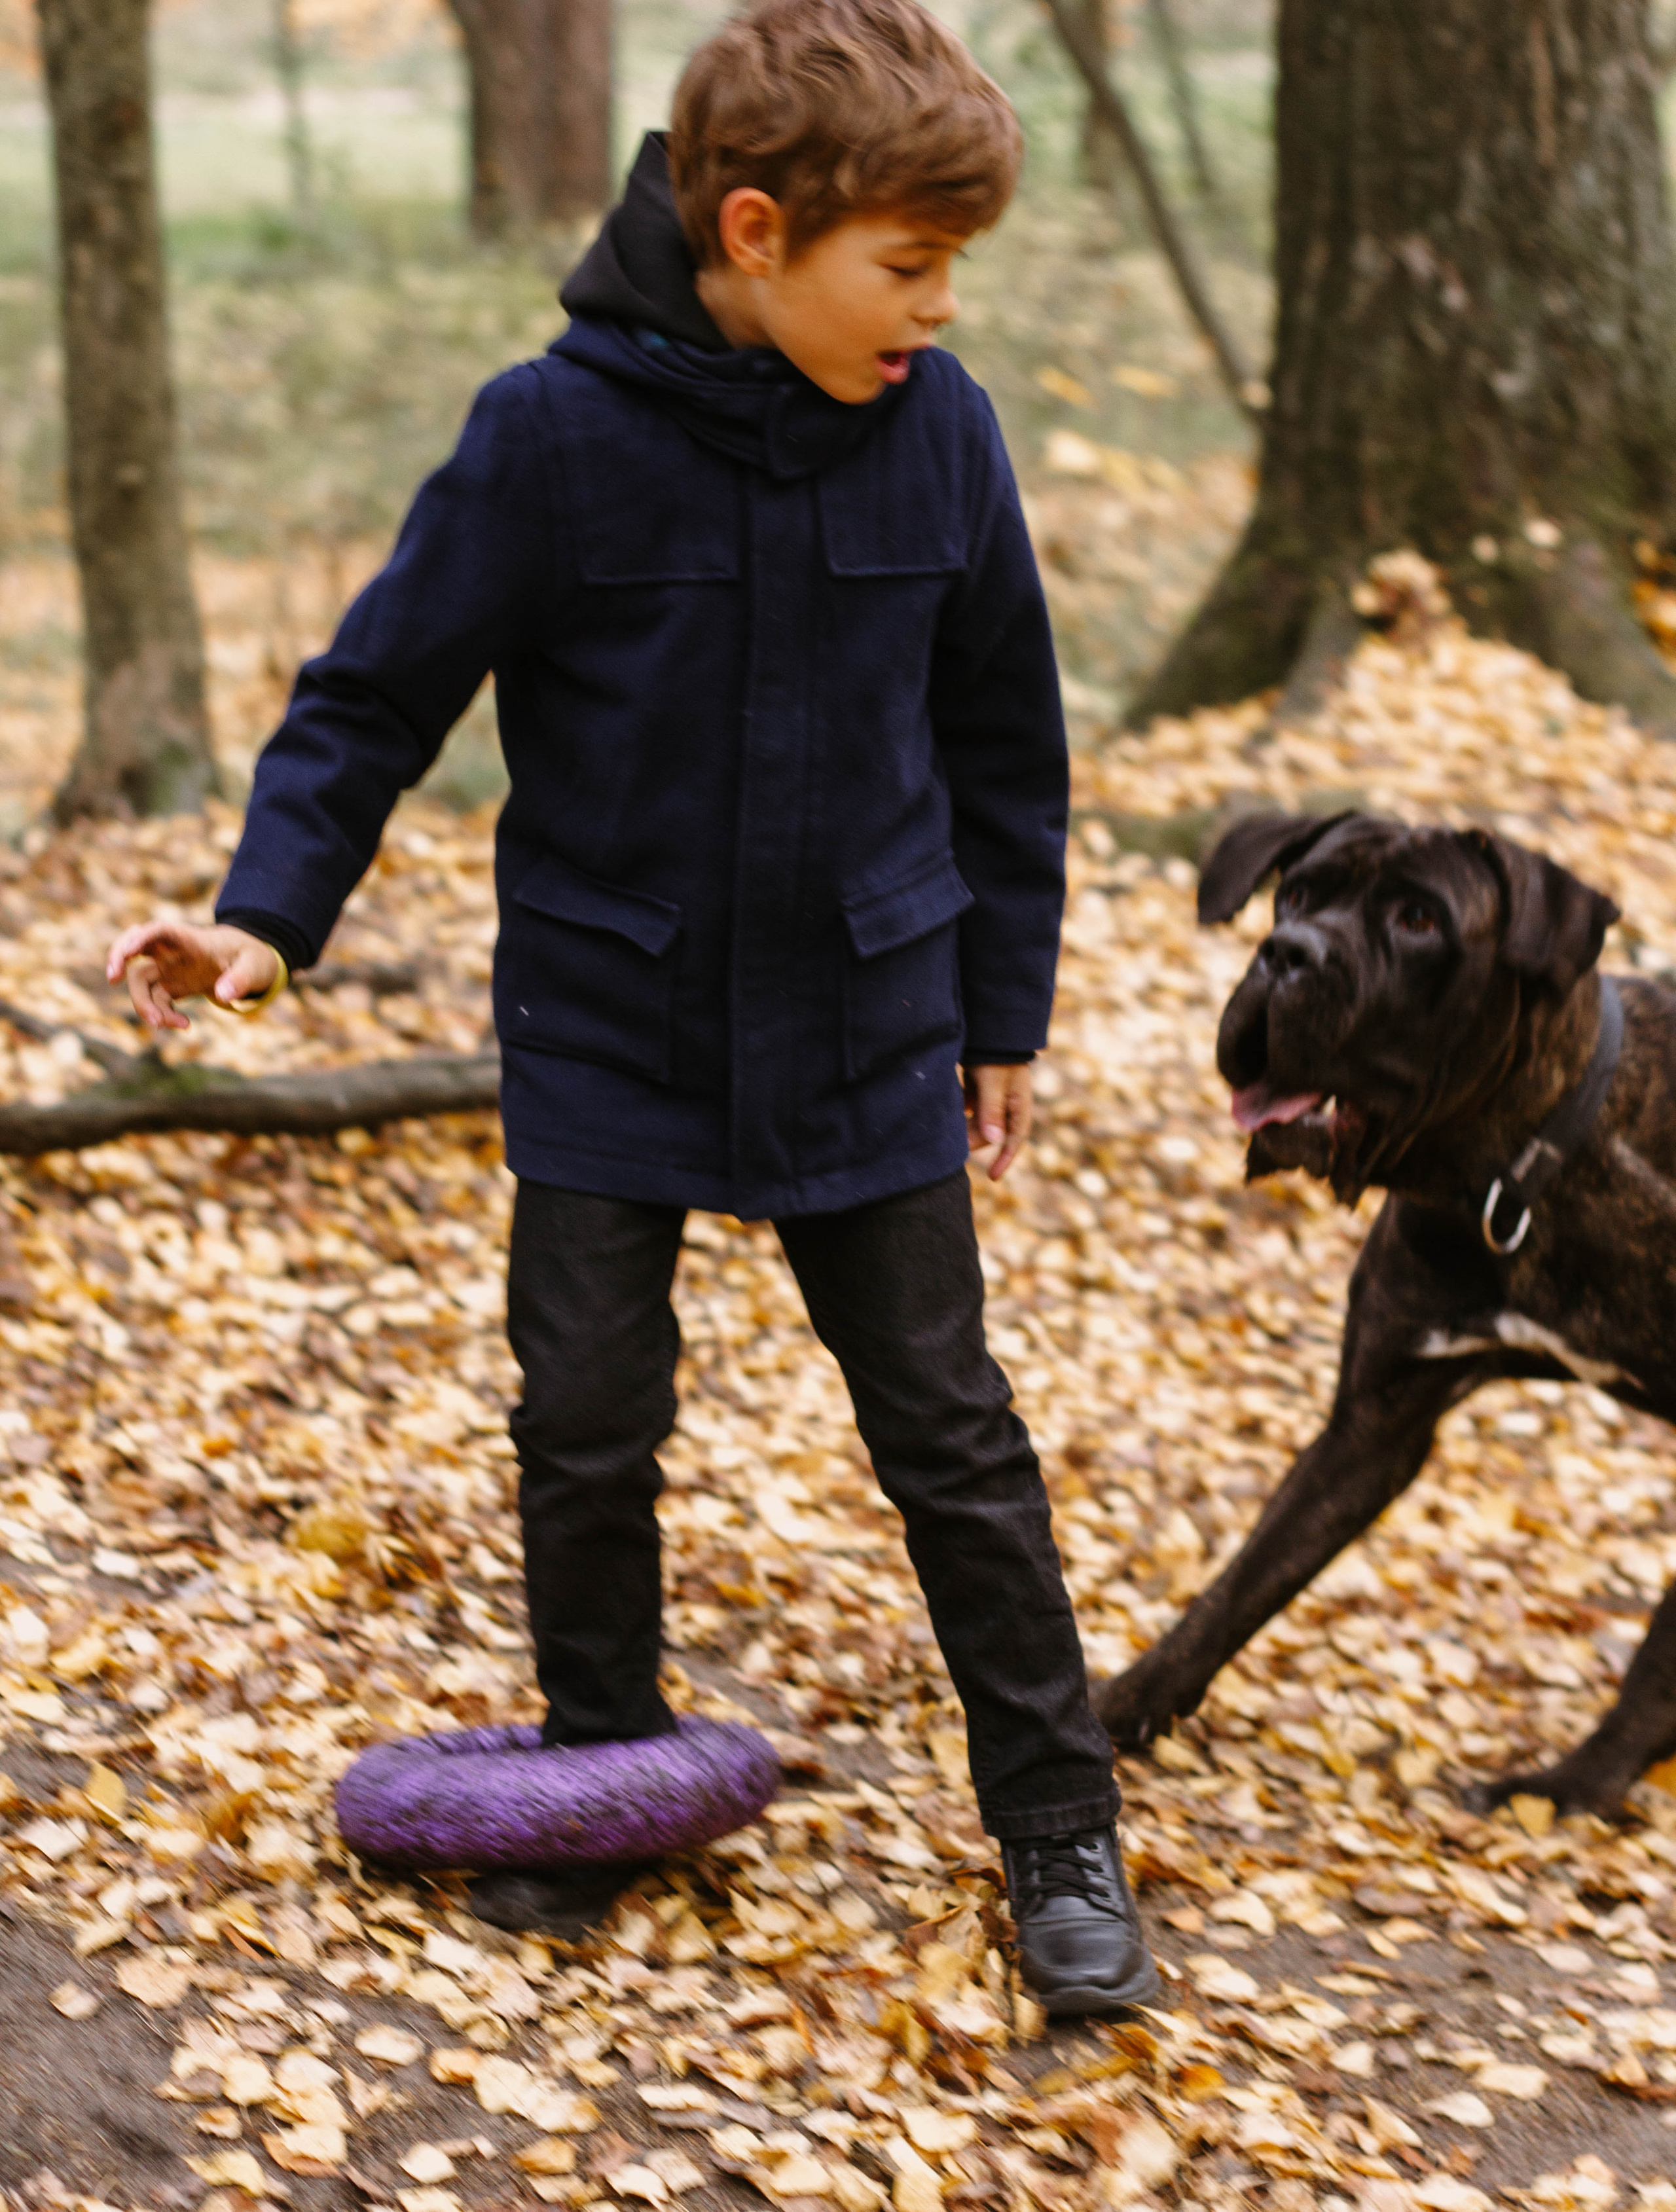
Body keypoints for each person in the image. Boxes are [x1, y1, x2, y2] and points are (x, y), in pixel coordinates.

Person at [105, 0, 1158, 2016]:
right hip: (612, 1018)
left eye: (954, 275)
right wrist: (268, 917)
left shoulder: (941, 431)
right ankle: (595, 1789)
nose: (938, 313)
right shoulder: (549, 440)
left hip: (866, 1018)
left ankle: (1060, 1829)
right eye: (909, 269)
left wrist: (996, 1006)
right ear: (754, 230)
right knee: (587, 1419)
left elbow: (1005, 743)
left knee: (953, 1434)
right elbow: (373, 692)